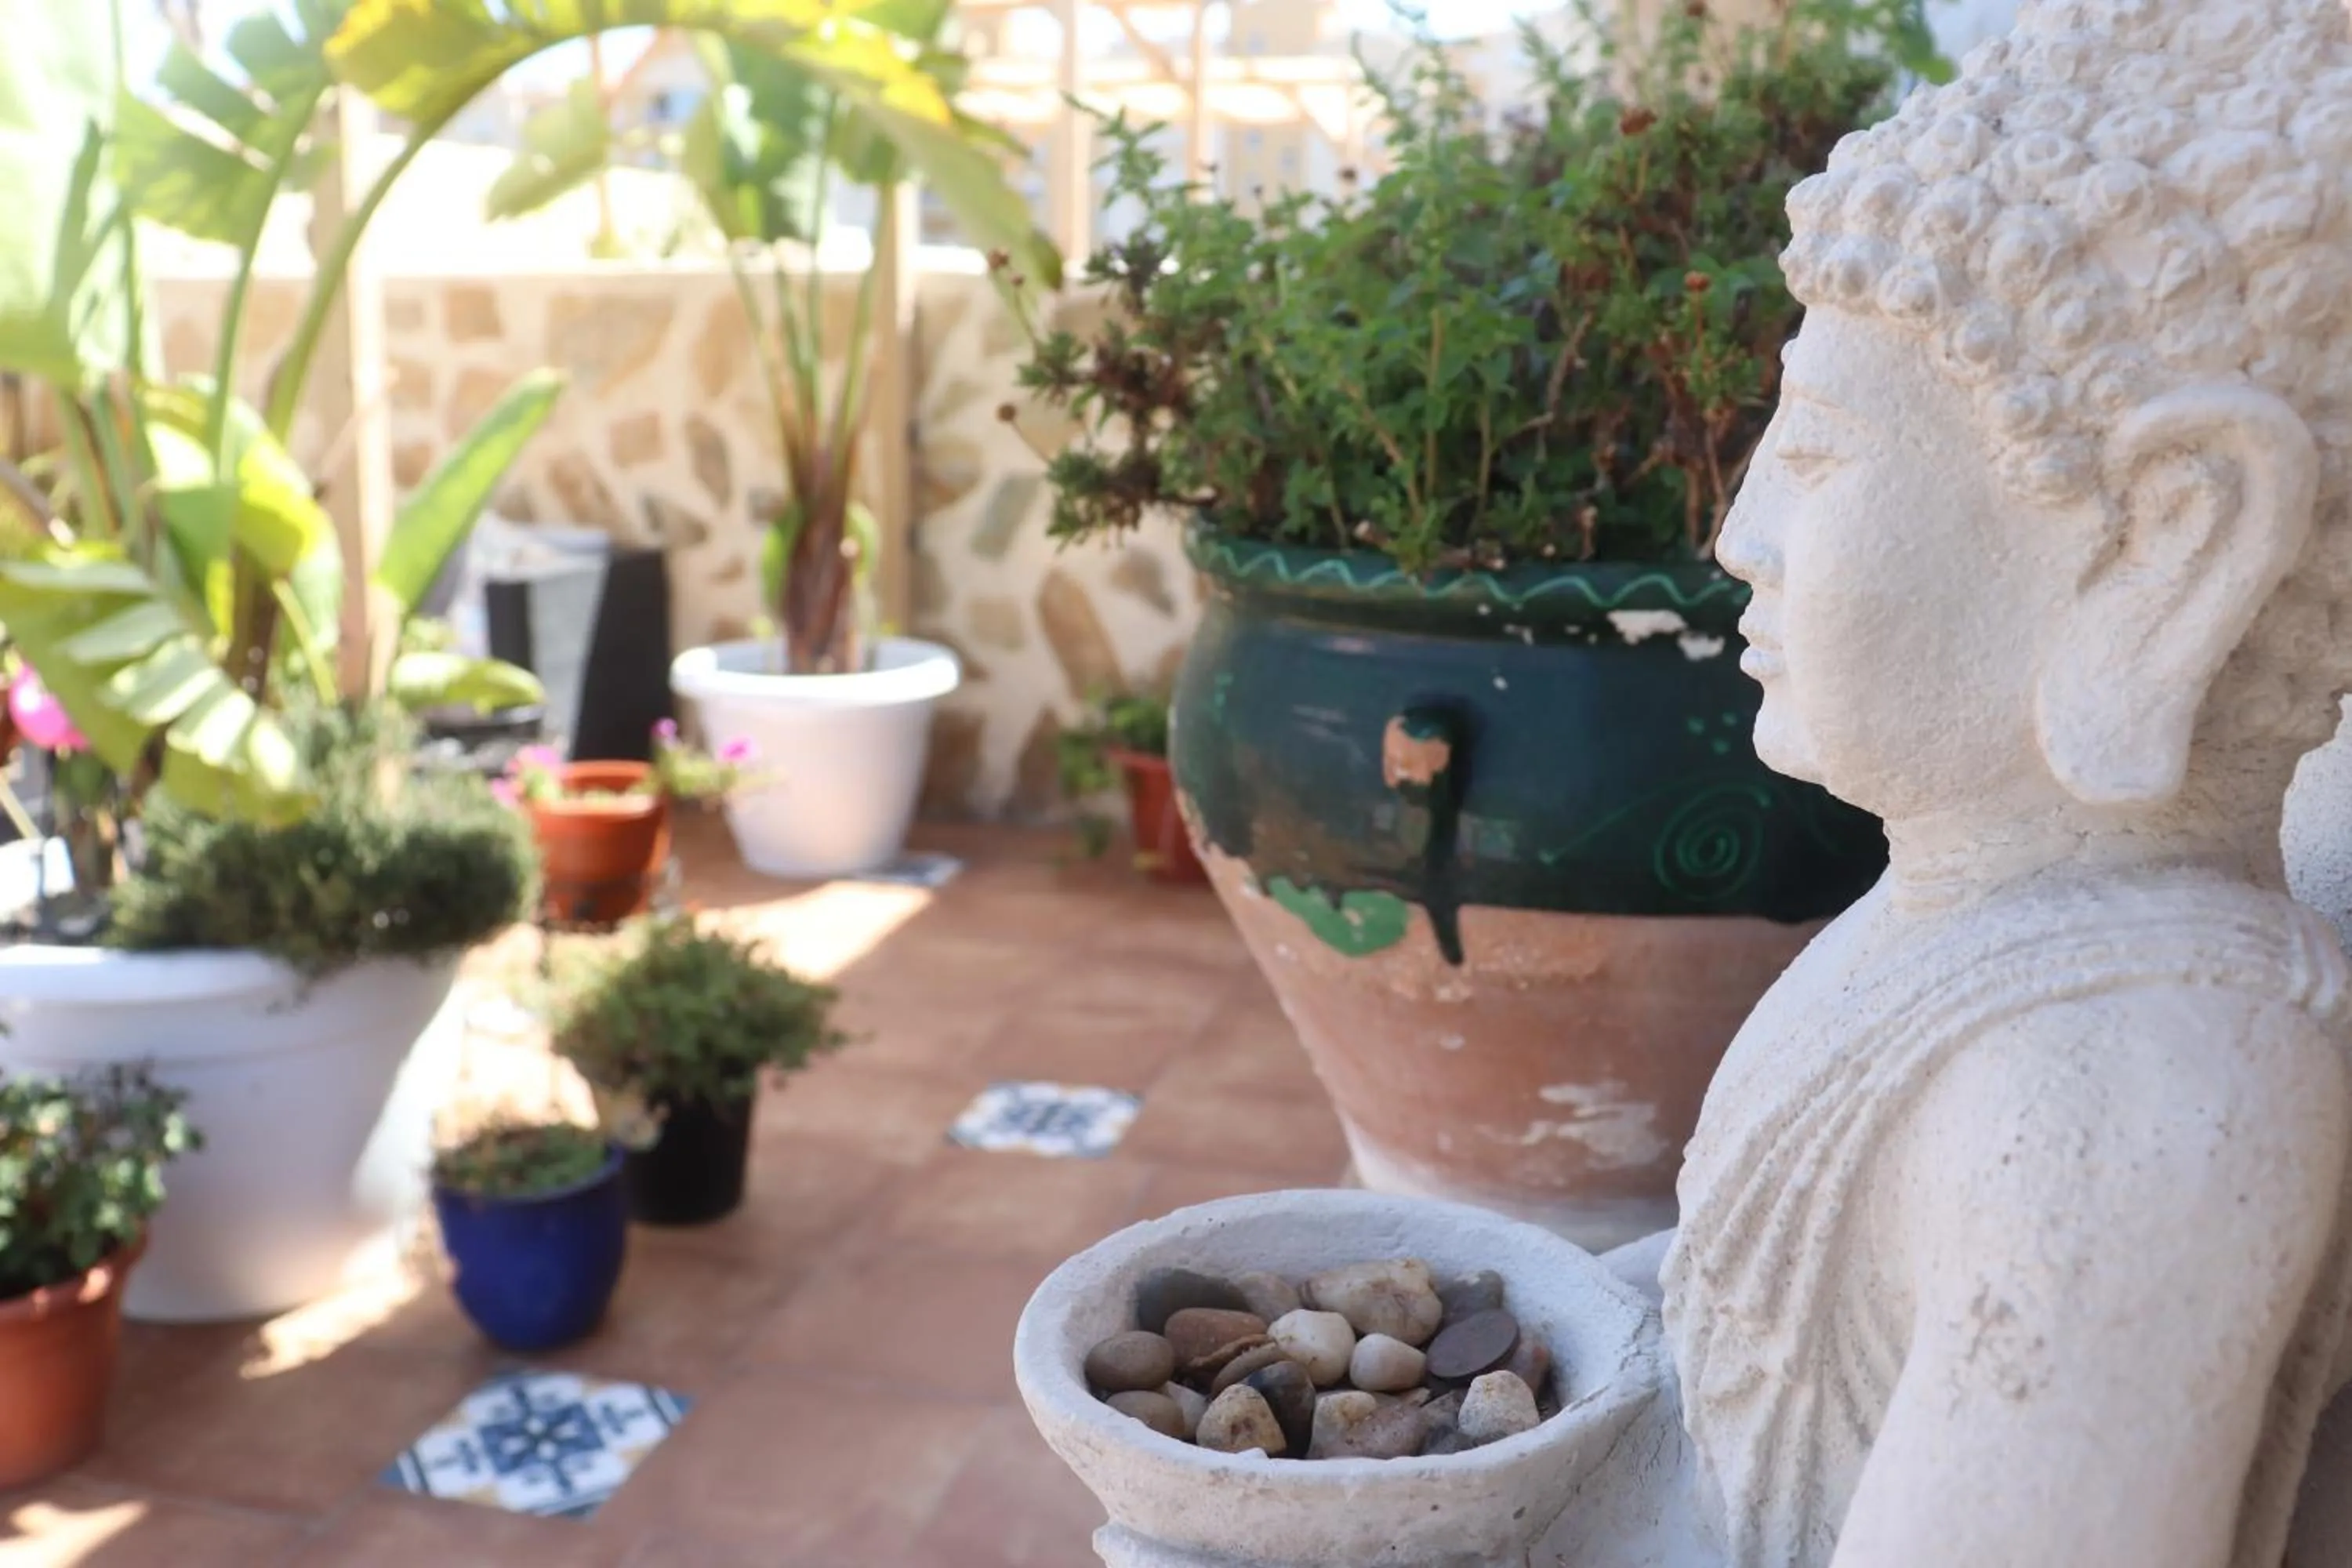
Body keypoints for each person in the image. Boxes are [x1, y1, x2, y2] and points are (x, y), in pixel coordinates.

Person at [1640, 3, 2352, 1563]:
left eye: (1815, 453)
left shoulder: (2142, 1093)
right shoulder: (1970, 919)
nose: (1739, 533)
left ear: (2172, 545)